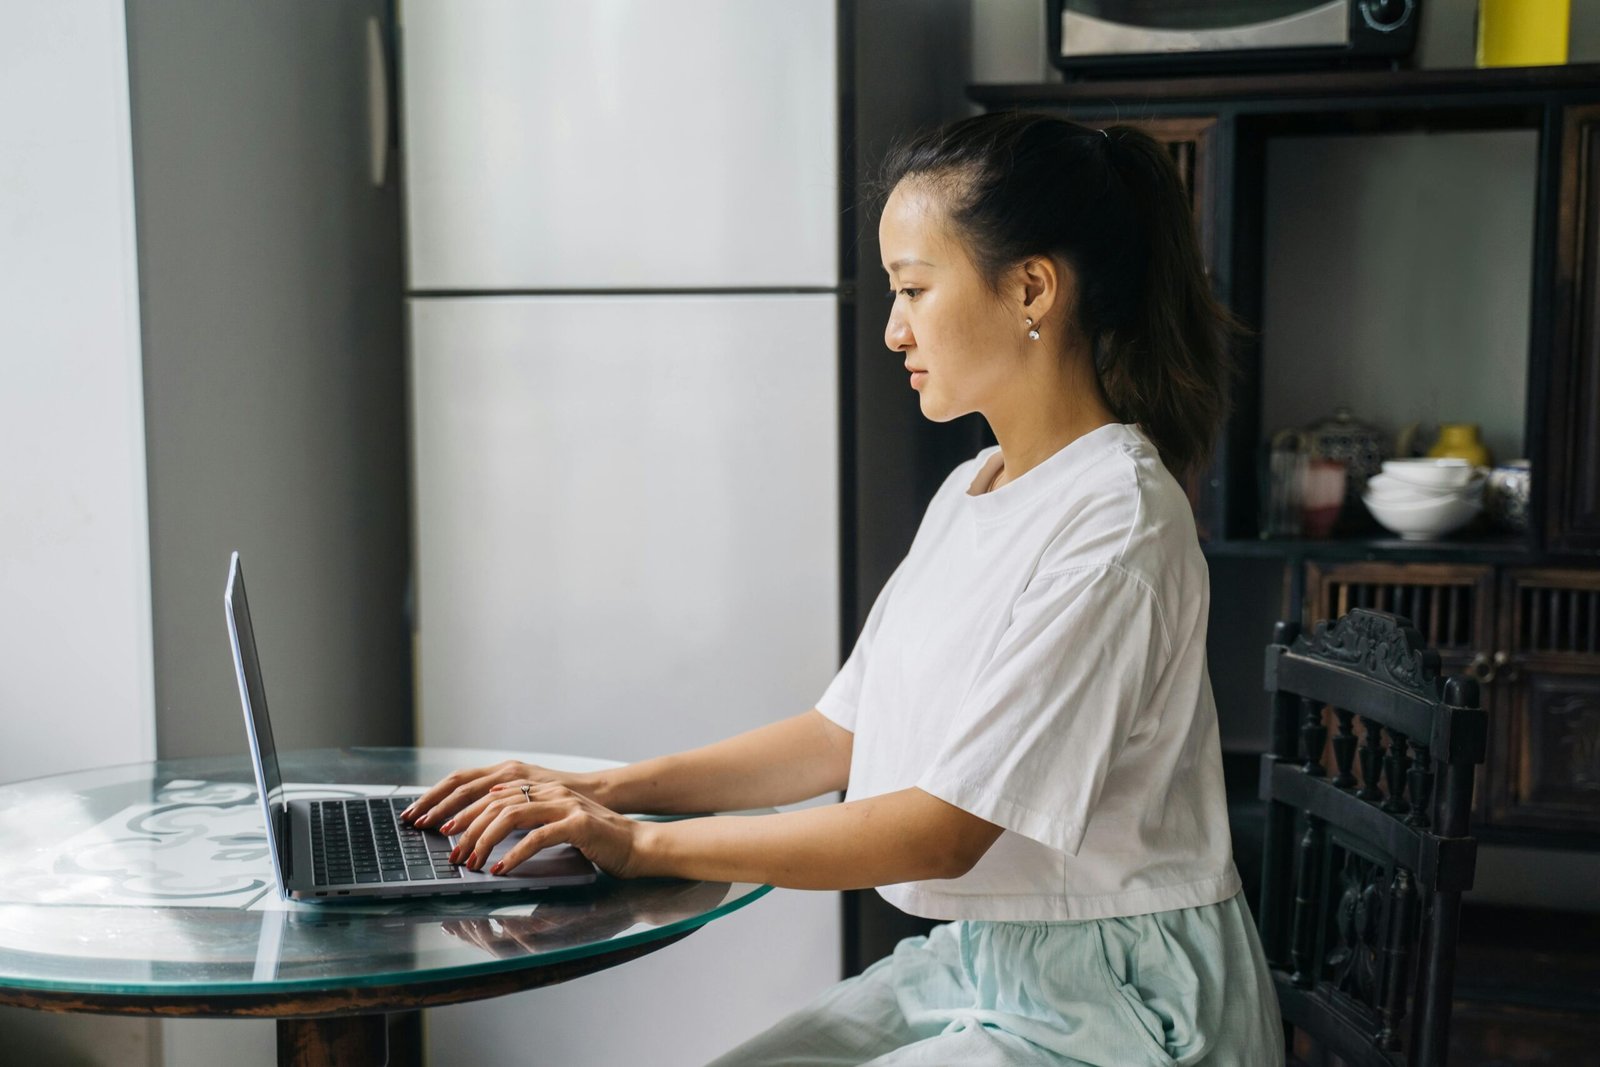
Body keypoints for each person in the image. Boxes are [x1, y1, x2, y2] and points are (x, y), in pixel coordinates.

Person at [401, 111, 1284, 1066]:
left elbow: (942, 831)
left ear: (1031, 287)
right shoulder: (975, 487)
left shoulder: (1118, 520)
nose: (896, 329)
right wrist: (602, 788)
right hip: (986, 964)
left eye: (913, 288)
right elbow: (841, 734)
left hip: (1126, 1002)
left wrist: (642, 845)